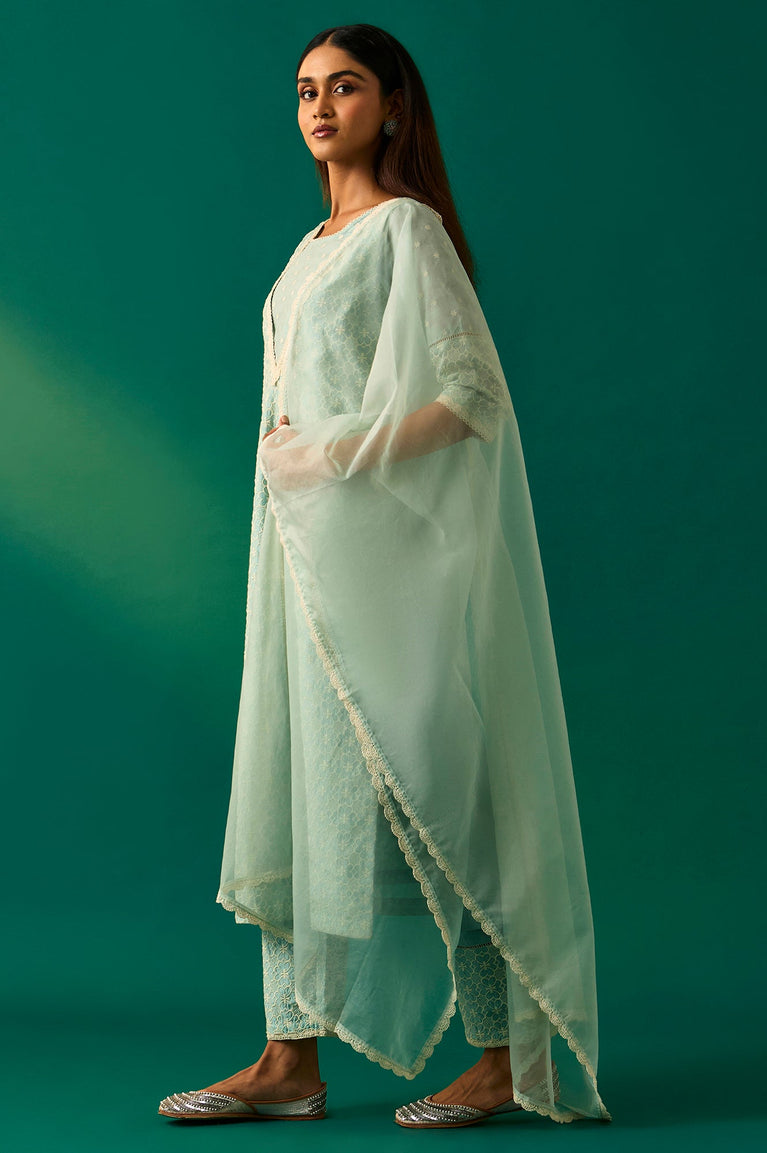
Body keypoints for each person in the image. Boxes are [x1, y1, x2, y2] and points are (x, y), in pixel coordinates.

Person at [158, 23, 612, 1129]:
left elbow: (470, 396)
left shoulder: (405, 230)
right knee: (299, 790)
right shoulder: (307, 249)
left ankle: (501, 1056)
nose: (319, 106)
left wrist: (331, 454)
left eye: (345, 86)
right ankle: (288, 1058)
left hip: (386, 571)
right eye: (304, 89)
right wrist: (299, 480)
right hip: (300, 565)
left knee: (434, 792)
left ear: (393, 106)